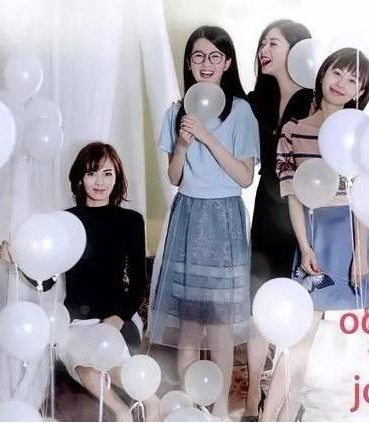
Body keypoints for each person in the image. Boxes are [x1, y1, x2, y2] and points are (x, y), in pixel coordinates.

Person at [261, 48, 369, 421]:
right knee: (299, 340)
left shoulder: (363, 132)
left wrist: (361, 252)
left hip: (365, 239)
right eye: (337, 73)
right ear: (323, 73)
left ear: (362, 91)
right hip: (318, 239)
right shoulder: (293, 131)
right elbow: (293, 196)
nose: (342, 83)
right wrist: (306, 247)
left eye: (353, 79)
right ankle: (270, 418)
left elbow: (365, 196)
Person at [0, 142, 156, 421]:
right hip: (75, 322)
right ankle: (123, 414)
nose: (100, 182)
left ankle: (151, 402)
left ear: (117, 177)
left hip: (115, 318)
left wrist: (119, 317)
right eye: (92, 173)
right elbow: (47, 282)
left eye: (107, 173)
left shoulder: (131, 221)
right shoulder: (65, 220)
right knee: (84, 368)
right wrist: (17, 262)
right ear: (80, 178)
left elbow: (138, 285)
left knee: (110, 360)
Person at [148, 25, 260, 418]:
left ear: (227, 63)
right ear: (189, 63)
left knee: (221, 327)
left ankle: (220, 410)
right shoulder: (175, 111)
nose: (206, 63)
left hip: (224, 220)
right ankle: (193, 408)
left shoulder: (241, 112)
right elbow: (174, 177)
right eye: (198, 55)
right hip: (188, 217)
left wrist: (208, 138)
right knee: (191, 326)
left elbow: (244, 177)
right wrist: (182, 144)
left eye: (215, 56)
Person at [244, 19, 313, 421]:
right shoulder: (258, 100)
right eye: (261, 43)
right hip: (267, 213)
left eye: (272, 43)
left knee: (303, 312)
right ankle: (253, 394)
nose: (263, 50)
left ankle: (288, 400)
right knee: (259, 307)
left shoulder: (317, 100)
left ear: (297, 49)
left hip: (306, 216)